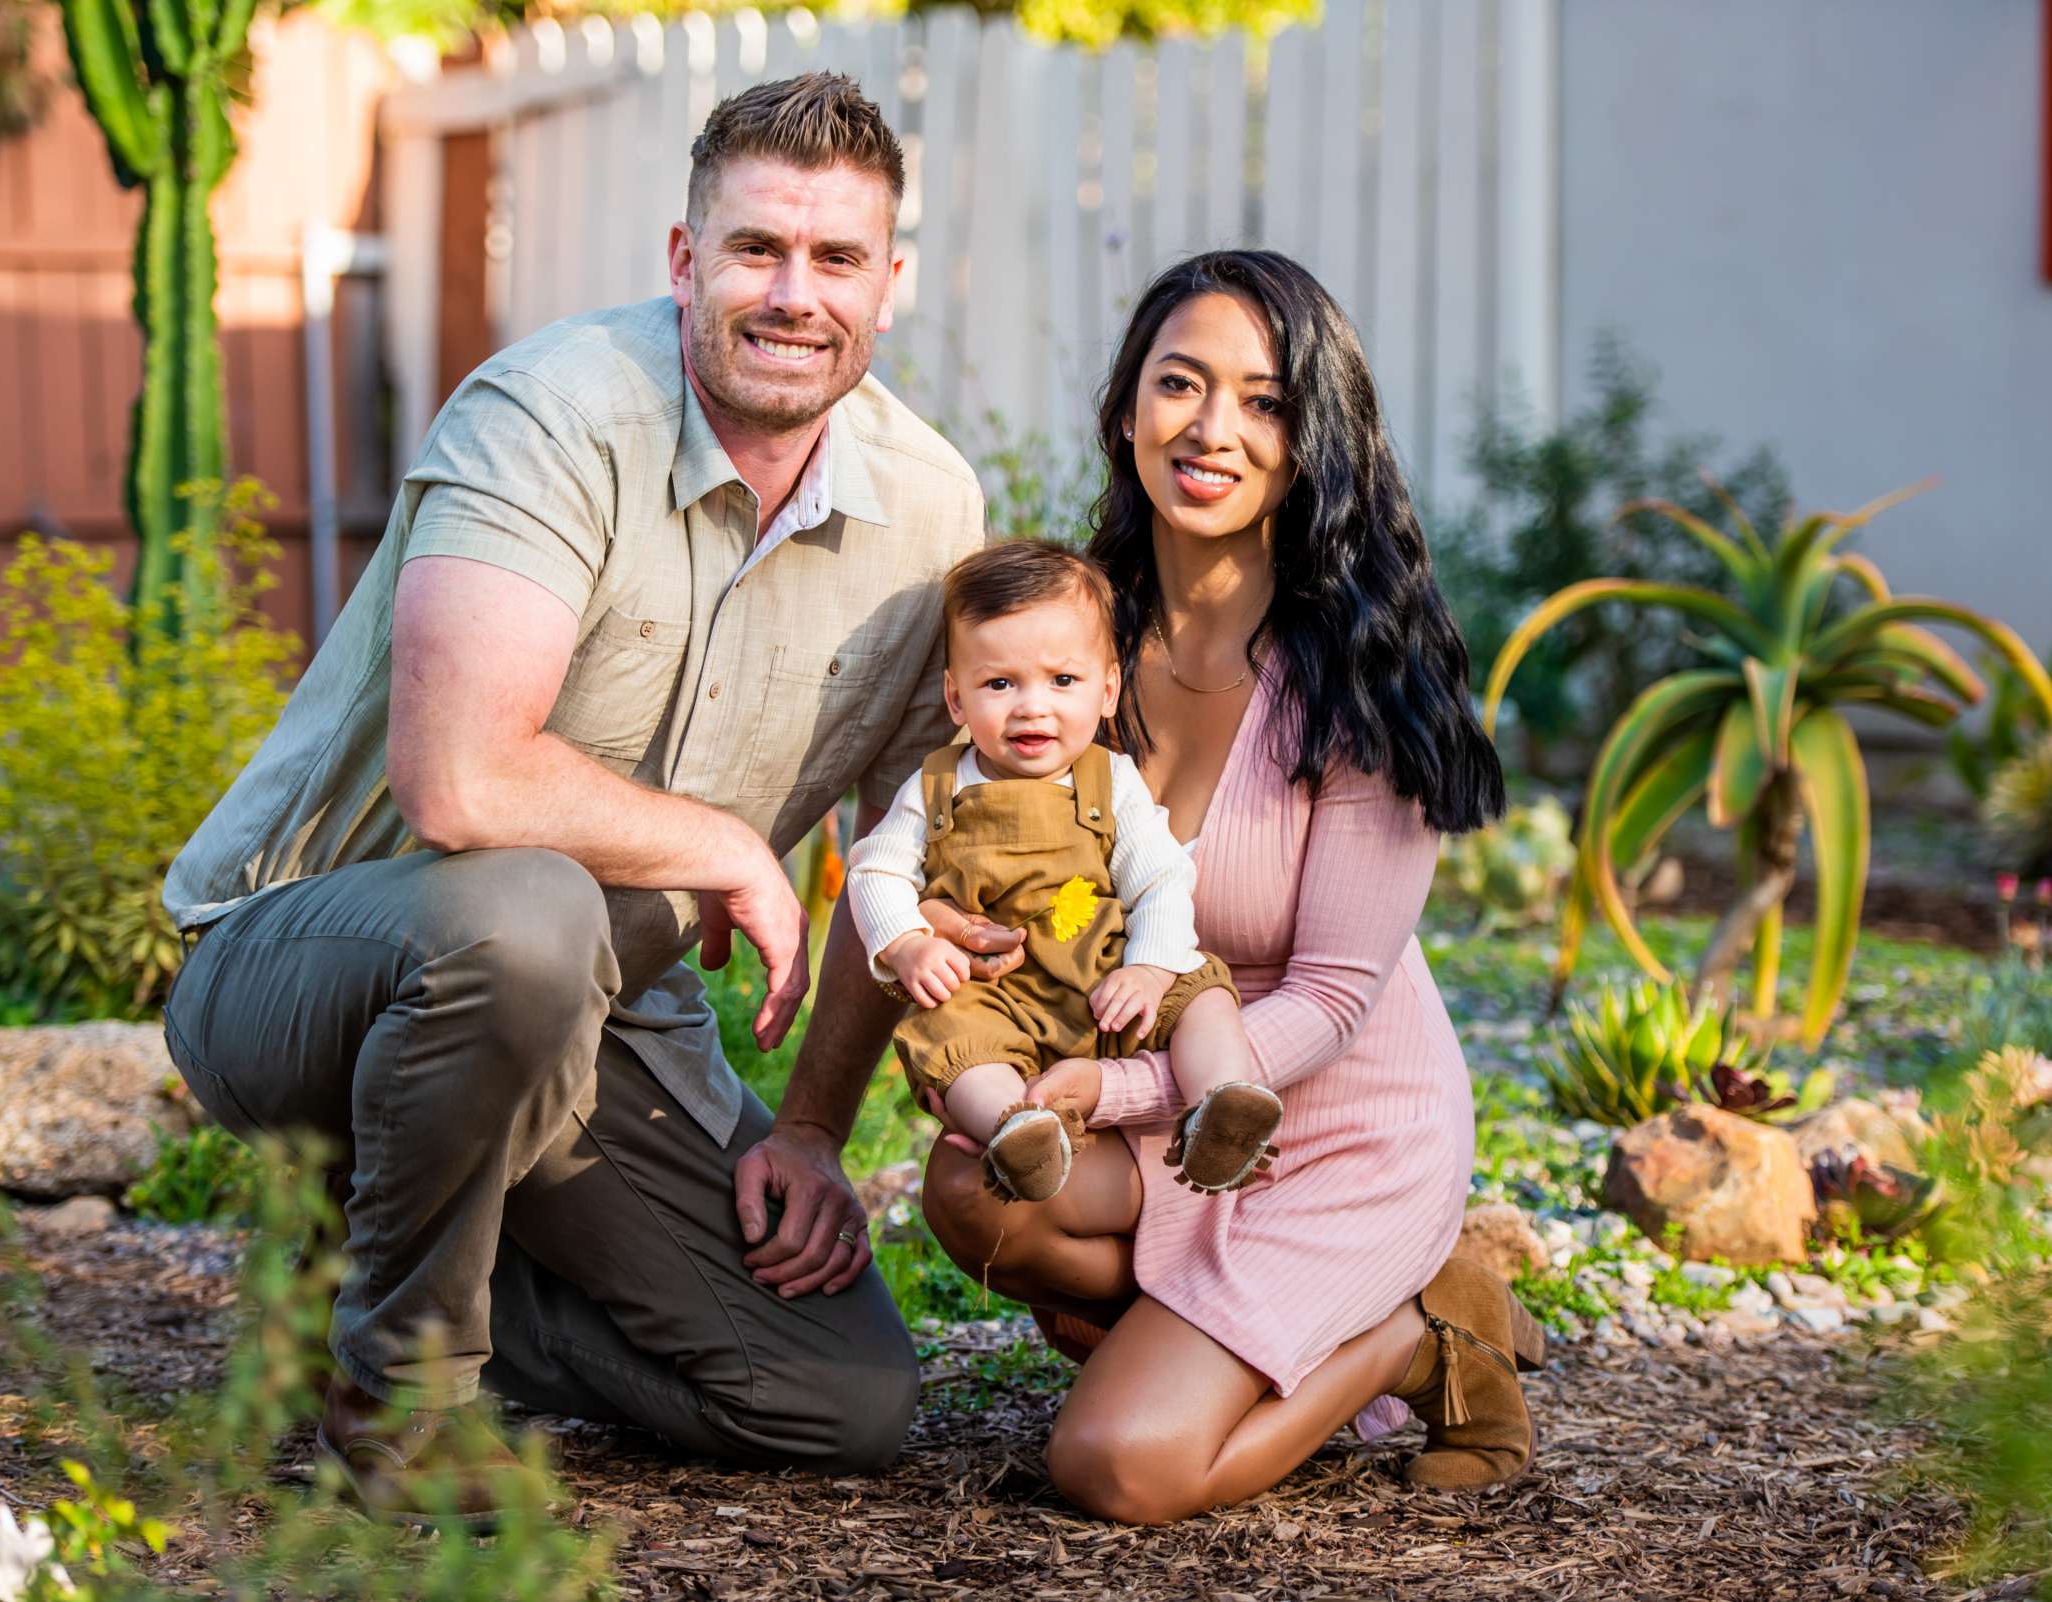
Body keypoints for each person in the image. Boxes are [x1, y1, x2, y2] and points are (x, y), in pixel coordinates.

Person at [157, 72, 1011, 1525]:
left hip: (607, 1017)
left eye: (836, 259)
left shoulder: (930, 513)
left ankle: (366, 1276)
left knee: (841, 1394)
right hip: (305, 966)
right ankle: (403, 1397)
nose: (793, 294)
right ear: (685, 259)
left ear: (892, 284)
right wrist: (729, 847)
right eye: (755, 250)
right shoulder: (552, 412)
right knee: (527, 911)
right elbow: (459, 776)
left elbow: (900, 849)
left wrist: (808, 1128)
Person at [917, 250, 1542, 1525]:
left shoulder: (1364, 682)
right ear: (1124, 409)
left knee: (1116, 1468)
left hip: (1331, 1124)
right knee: (975, 1190)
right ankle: (1217, 1334)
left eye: (1263, 401)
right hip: (1164, 1106)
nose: (1213, 430)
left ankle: (1414, 1331)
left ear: (1315, 438)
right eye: (1180, 384)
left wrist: (1126, 1087)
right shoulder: (1073, 644)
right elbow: (991, 849)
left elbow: (1330, 998)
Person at [843, 540, 1278, 1206]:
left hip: (1108, 981)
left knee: (1203, 992)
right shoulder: (935, 788)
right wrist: (906, 943)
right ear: (956, 698)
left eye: (1062, 681)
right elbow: (874, 869)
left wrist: (1152, 967)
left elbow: (1160, 878)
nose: (1031, 707)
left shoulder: (1113, 781)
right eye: (1000, 683)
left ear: (1108, 690)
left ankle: (1222, 1103)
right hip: (996, 996)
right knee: (951, 1037)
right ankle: (1020, 1127)